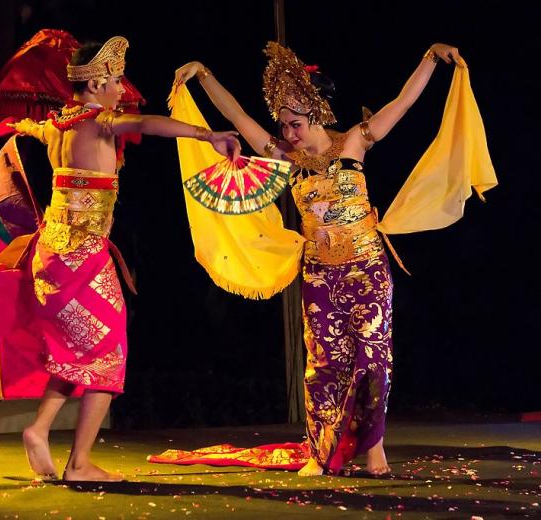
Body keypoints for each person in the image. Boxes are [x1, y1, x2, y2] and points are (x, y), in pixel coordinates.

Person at [0, 35, 240, 483]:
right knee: (110, 352)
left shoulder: (57, 123)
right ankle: (79, 463)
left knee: (78, 352)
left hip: (52, 255)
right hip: (81, 257)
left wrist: (9, 129)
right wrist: (208, 134)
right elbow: (151, 123)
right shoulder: (100, 122)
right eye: (117, 80)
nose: (121, 89)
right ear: (98, 82)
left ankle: (39, 430)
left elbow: (24, 130)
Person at [171, 41, 465, 476]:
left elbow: (403, 101)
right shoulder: (285, 157)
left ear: (314, 112)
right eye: (283, 125)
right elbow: (237, 117)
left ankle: (375, 448)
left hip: (366, 268)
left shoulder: (355, 142)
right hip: (320, 274)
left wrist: (428, 58)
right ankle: (321, 450)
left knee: (372, 358)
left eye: (295, 124)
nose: (288, 134)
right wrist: (203, 73)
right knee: (324, 364)